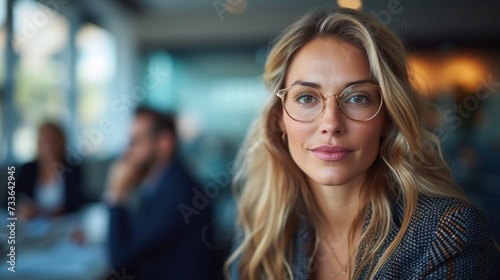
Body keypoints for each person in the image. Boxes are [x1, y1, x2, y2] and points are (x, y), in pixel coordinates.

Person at [226, 8, 495, 280]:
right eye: (307, 98)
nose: (331, 124)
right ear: (279, 119)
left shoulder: (448, 234)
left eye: (357, 98)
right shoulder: (260, 228)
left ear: (388, 118)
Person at [105, 107, 220, 280]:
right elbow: (140, 232)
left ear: (164, 143)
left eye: (135, 141)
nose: (127, 152)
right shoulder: (167, 181)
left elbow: (120, 259)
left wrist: (115, 195)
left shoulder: (178, 192)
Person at [17, 122, 85, 220]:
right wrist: (21, 207)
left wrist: (55, 212)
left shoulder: (73, 167)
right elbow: (8, 199)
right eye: (45, 140)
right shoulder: (28, 169)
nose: (50, 146)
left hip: (64, 224)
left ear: (62, 142)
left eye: (54, 141)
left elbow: (78, 201)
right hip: (32, 226)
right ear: (38, 143)